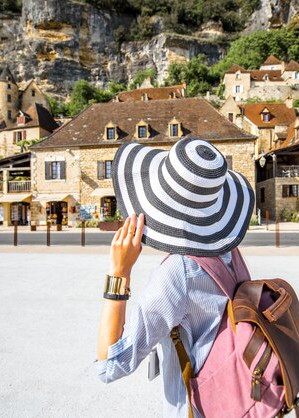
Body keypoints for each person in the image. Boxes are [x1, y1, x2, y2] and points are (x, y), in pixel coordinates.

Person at [96, 137, 254, 417]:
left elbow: (110, 365)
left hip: (197, 408)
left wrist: (119, 273)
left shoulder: (178, 273)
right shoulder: (229, 252)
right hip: (238, 401)